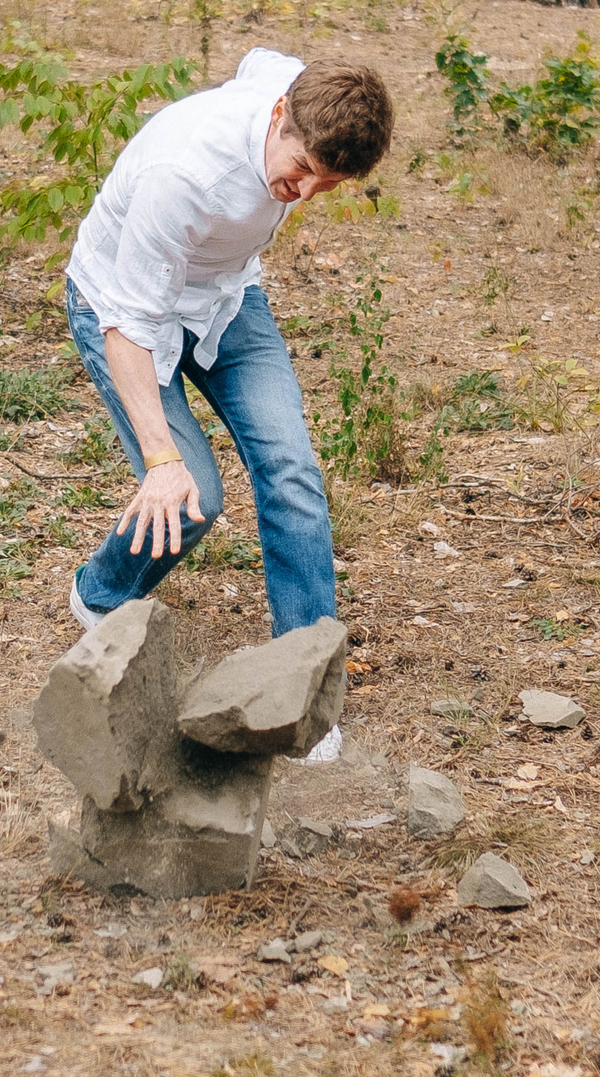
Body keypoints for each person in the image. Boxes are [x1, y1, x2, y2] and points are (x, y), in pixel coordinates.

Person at [61, 48, 393, 763]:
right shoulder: (182, 175)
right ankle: (100, 591)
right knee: (193, 496)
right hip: (120, 307)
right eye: (300, 170)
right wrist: (159, 460)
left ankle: (303, 693)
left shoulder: (294, 93)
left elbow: (261, 58)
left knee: (293, 470)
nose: (302, 194)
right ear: (277, 117)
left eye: (327, 185)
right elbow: (127, 329)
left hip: (226, 298)